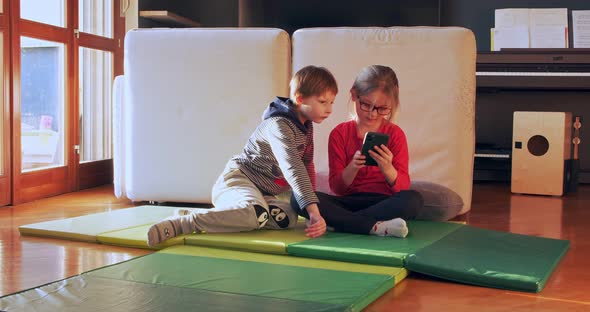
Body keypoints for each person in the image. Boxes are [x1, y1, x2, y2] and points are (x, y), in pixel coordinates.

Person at [147, 65, 338, 247]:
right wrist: (313, 211)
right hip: (238, 181)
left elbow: (306, 165)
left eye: (331, 102)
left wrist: (310, 211)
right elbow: (293, 167)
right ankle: (185, 223)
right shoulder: (278, 125)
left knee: (287, 218)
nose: (329, 109)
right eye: (323, 102)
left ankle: (219, 214)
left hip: (263, 193)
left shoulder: (305, 128)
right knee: (253, 214)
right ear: (299, 98)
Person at [291, 65, 423, 238]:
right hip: (348, 202)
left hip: (382, 202)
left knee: (413, 200)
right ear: (354, 95)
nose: (372, 114)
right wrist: (353, 167)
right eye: (366, 105)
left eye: (382, 109)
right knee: (298, 198)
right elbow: (337, 188)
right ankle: (374, 226)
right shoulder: (340, 133)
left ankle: (342, 223)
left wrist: (388, 168)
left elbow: (403, 187)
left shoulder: (395, 134)